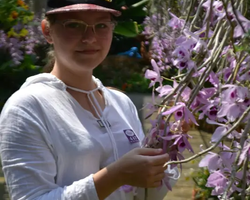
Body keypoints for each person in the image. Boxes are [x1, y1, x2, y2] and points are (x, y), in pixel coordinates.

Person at [0, 0, 180, 199]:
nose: (90, 38)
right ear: (47, 31)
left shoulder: (121, 103)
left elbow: (145, 195)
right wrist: (116, 175)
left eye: (101, 26)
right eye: (74, 25)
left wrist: (167, 147)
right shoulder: (27, 107)